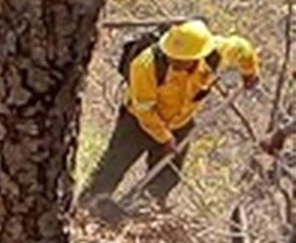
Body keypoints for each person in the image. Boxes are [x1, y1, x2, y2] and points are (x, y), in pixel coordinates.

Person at [80, 19, 259, 207]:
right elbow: (144, 110)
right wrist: (165, 138)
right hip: (138, 122)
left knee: (167, 176)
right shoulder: (145, 66)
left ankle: (139, 209)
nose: (174, 61)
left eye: (181, 59)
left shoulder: (214, 51)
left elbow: (242, 48)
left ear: (197, 55)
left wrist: (250, 72)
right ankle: (89, 206)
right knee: (111, 169)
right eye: (172, 56)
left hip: (180, 123)